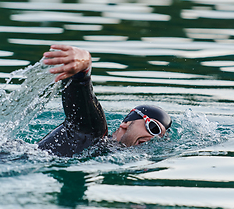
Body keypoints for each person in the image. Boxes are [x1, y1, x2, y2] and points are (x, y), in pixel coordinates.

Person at [37, 45, 172, 157]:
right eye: (153, 128)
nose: (153, 138)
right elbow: (81, 97)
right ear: (126, 123)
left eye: (159, 137)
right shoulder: (93, 132)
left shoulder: (106, 153)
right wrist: (83, 67)